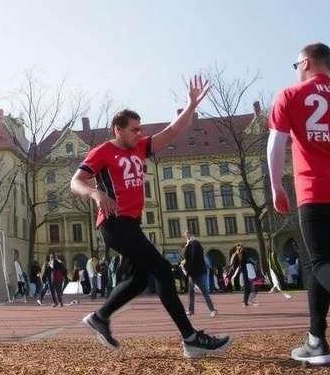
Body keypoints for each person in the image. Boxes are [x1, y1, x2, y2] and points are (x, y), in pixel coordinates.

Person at [71, 78, 231, 358]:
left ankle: (100, 317)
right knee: (162, 270)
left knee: (139, 278)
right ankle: (191, 338)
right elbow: (76, 182)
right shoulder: (103, 152)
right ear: (117, 129)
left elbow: (172, 130)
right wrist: (97, 195)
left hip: (131, 224)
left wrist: (191, 106)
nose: (139, 133)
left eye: (140, 129)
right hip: (114, 222)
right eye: (134, 129)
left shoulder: (140, 147)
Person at [268, 43, 330, 365]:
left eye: (297, 64)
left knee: (320, 262)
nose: (297, 69)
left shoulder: (290, 94)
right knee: (318, 269)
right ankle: (316, 341)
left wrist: (275, 187)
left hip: (316, 191)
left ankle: (318, 342)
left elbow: (276, 144)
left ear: (308, 62)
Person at [183, 230, 217, 317]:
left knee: (204, 292)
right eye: (186, 236)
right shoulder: (191, 244)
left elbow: (193, 258)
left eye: (187, 235)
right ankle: (191, 310)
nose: (186, 237)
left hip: (197, 272)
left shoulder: (194, 244)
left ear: (191, 234)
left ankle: (212, 309)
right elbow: (187, 257)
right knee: (192, 292)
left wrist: (187, 266)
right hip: (194, 272)